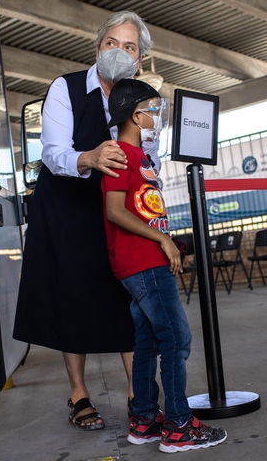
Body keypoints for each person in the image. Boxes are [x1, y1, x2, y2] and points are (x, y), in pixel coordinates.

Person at [13, 11, 160, 431]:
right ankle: (78, 394)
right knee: (71, 298)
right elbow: (53, 150)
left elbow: (153, 155)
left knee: (129, 299)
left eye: (129, 47)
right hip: (67, 205)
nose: (119, 52)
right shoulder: (66, 87)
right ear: (98, 48)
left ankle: (139, 395)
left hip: (118, 208)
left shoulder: (143, 99)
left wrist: (148, 175)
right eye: (112, 43)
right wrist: (91, 157)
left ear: (141, 58)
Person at [101, 78, 228, 453]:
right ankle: (177, 425)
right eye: (154, 110)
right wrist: (162, 239)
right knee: (176, 338)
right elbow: (113, 211)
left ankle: (144, 420)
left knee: (147, 340)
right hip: (144, 263)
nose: (159, 117)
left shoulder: (140, 157)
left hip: (145, 262)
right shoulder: (121, 153)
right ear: (136, 115)